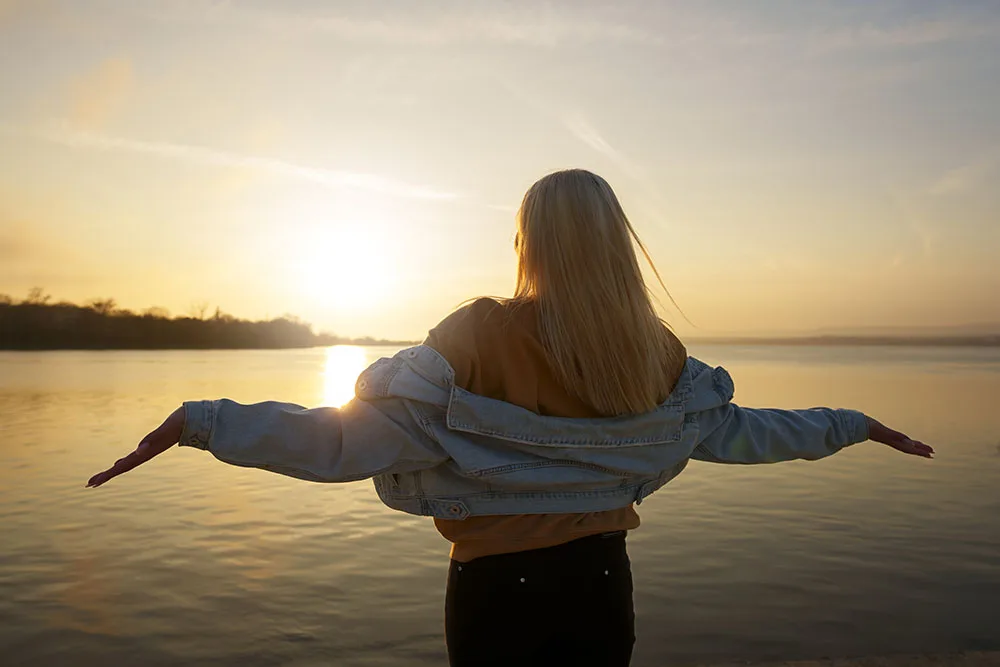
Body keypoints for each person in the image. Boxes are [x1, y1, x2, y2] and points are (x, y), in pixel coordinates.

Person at [87, 169, 934, 667]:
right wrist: (848, 423)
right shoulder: (658, 350)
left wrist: (206, 422)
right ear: (617, 243)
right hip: (603, 584)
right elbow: (743, 434)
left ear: (529, 240)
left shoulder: (480, 331)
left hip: (496, 593)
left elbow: (346, 440)